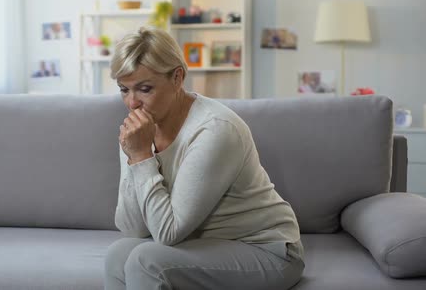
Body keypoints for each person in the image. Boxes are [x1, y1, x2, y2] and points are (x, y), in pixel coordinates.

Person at [104, 27, 304, 290]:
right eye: (124, 90)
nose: (132, 103)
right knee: (118, 255)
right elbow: (133, 229)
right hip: (204, 244)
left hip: (267, 250)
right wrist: (134, 156)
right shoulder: (139, 134)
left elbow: (168, 233)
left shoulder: (215, 129)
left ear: (177, 78)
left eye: (144, 89)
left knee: (146, 260)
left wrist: (141, 158)